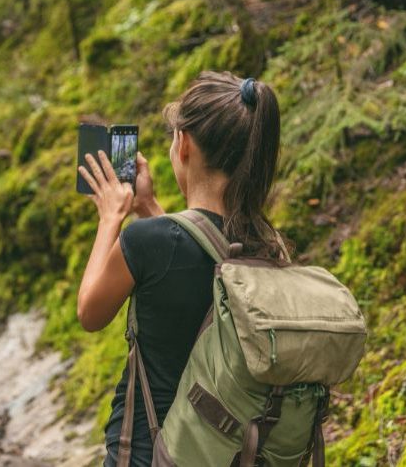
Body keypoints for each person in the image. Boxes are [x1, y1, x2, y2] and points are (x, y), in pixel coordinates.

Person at [76, 70, 288, 466]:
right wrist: (148, 207)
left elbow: (90, 311)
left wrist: (111, 217)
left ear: (184, 145)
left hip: (151, 453)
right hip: (228, 453)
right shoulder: (266, 247)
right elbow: (201, 258)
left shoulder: (148, 242)